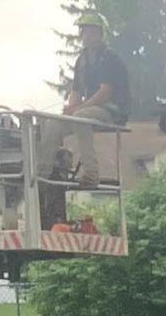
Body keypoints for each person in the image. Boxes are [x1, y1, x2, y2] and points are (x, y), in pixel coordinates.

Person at [35, 16, 131, 221]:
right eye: (83, 31)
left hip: (112, 111)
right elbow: (76, 90)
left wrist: (77, 108)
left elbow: (105, 92)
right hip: (88, 109)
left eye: (89, 31)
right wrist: (69, 107)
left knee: (81, 117)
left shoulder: (109, 59)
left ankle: (91, 173)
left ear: (99, 33)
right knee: (52, 123)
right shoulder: (82, 60)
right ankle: (42, 174)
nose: (84, 35)